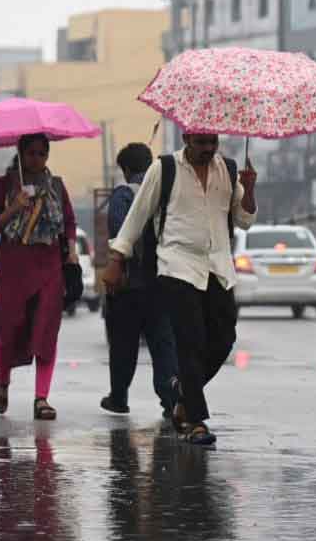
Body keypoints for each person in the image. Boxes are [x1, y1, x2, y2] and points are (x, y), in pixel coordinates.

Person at [103, 133, 257, 446]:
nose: (207, 149)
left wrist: (249, 188)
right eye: (201, 142)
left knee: (224, 338)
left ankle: (180, 395)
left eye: (212, 142)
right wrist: (118, 257)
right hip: (176, 264)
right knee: (190, 341)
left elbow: (244, 220)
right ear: (187, 137)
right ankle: (195, 421)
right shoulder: (165, 169)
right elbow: (138, 215)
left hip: (218, 267)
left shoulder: (227, 169)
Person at [0, 133, 77, 421]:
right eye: (31, 152)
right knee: (11, 327)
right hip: (13, 266)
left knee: (47, 329)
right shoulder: (3, 186)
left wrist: (72, 253)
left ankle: (41, 398)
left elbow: (68, 222)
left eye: (42, 153)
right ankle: (2, 382)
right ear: (20, 153)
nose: (37, 158)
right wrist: (14, 206)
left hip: (49, 265)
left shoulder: (56, 186)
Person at [100, 142, 178, 418]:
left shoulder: (124, 194)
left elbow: (121, 235)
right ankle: (171, 399)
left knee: (123, 344)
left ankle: (119, 397)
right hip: (163, 281)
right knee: (163, 342)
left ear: (126, 169)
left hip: (130, 285)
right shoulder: (167, 191)